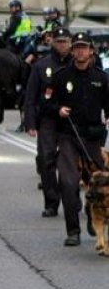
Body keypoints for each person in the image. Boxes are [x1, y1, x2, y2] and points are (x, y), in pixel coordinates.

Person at [47, 32, 109, 247]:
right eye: (77, 47)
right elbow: (47, 102)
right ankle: (73, 231)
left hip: (93, 139)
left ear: (91, 51)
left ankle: (94, 218)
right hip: (68, 136)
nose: (81, 51)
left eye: (85, 47)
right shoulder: (61, 76)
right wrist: (58, 109)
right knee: (68, 182)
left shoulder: (102, 78)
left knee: (99, 184)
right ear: (72, 51)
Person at [24, 27, 72, 218]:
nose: (62, 45)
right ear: (52, 42)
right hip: (48, 119)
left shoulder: (78, 64)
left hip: (71, 119)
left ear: (70, 43)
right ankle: (51, 202)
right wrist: (30, 122)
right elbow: (31, 95)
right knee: (46, 159)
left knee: (71, 163)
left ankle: (72, 201)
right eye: (58, 41)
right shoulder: (42, 65)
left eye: (65, 41)